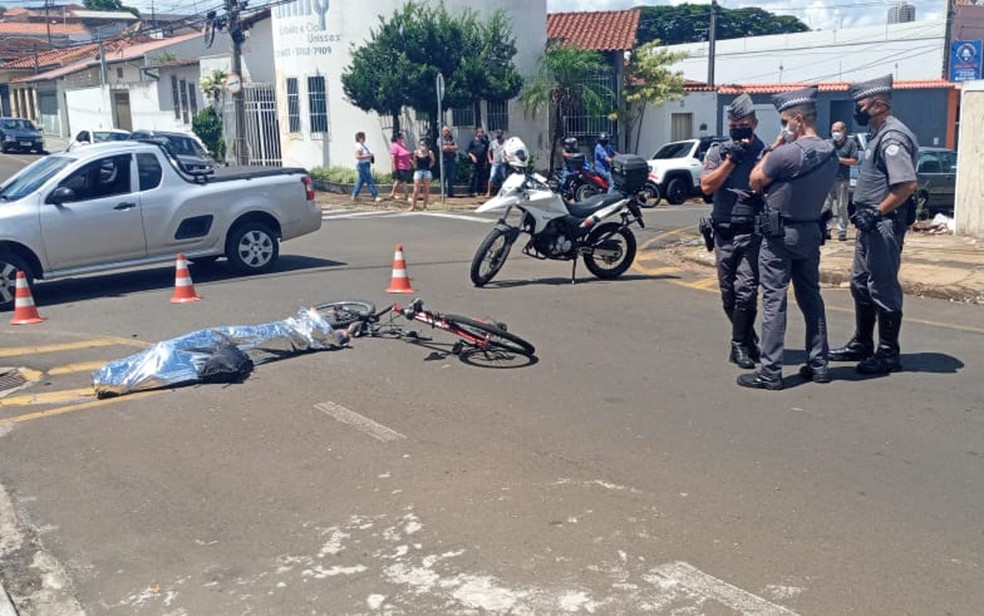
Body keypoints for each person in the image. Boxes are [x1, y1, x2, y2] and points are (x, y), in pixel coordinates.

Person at [738, 86, 839, 390]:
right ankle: (819, 364)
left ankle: (770, 372)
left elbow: (755, 180)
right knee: (812, 298)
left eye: (784, 121)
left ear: (797, 119)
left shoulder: (787, 153)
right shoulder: (830, 151)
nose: (783, 127)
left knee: (774, 301)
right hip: (811, 230)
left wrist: (776, 144)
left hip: (780, 234)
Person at [829, 75, 918, 375]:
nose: (857, 110)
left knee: (882, 285)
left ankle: (889, 352)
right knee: (860, 282)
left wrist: (877, 212)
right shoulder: (877, 135)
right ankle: (863, 342)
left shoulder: (893, 138)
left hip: (883, 224)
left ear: (879, 105)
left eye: (861, 104)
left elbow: (906, 185)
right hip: (869, 224)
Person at [699, 94, 766, 369]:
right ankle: (747, 338)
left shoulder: (765, 152)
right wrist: (731, 161)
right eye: (734, 122)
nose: (738, 126)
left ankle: (737, 346)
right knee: (728, 294)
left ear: (754, 122)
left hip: (751, 232)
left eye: (744, 122)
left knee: (746, 290)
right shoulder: (718, 151)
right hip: (723, 231)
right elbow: (706, 187)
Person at [825, 121, 858, 241]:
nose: (835, 133)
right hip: (828, 179)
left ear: (844, 131)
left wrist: (839, 160)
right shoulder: (828, 143)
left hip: (842, 180)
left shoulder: (851, 144)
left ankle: (842, 231)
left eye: (837, 131)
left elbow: (854, 161)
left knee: (841, 206)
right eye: (833, 131)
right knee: (826, 205)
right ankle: (826, 229)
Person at [352, 131, 381, 202]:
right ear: (359, 138)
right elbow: (358, 156)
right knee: (369, 180)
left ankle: (354, 195)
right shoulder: (358, 146)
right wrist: (369, 155)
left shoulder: (363, 146)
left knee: (360, 181)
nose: (365, 138)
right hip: (362, 165)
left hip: (366, 164)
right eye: (363, 137)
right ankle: (375, 196)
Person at [411, 137, 436, 210]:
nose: (422, 146)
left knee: (426, 189)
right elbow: (414, 160)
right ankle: (413, 206)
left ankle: (425, 206)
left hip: (426, 171)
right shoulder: (416, 152)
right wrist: (415, 166)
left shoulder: (430, 152)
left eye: (423, 145)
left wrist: (429, 166)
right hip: (418, 171)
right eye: (421, 144)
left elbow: (433, 161)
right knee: (416, 190)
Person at [388, 133, 412, 202]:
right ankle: (406, 196)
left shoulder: (402, 145)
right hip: (400, 167)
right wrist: (394, 166)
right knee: (404, 181)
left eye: (402, 138)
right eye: (400, 138)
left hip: (406, 166)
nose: (402, 139)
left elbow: (406, 154)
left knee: (398, 181)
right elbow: (393, 157)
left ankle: (392, 194)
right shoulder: (394, 146)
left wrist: (410, 161)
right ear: (397, 139)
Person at [466, 127, 490, 197]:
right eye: (479, 132)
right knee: (472, 176)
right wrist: (472, 156)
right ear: (476, 133)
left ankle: (480, 191)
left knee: (481, 177)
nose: (481, 134)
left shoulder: (485, 142)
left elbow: (487, 151)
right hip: (474, 162)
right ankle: (470, 191)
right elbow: (468, 151)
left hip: (482, 162)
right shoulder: (472, 142)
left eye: (482, 133)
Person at [438, 125, 458, 198]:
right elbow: (442, 148)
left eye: (447, 131)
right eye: (445, 131)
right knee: (443, 177)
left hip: (451, 160)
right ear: (442, 132)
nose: (446, 132)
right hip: (444, 160)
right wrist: (450, 148)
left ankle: (450, 193)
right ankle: (442, 193)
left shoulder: (452, 139)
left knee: (451, 177)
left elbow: (456, 147)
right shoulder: (440, 139)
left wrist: (448, 147)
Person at [487, 129, 507, 196]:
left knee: (504, 178)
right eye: (497, 133)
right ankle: (488, 192)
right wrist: (490, 159)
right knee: (491, 177)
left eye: (499, 133)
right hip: (495, 163)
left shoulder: (506, 142)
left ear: (502, 134)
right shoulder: (493, 142)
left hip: (503, 163)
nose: (498, 135)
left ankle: (504, 193)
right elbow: (489, 151)